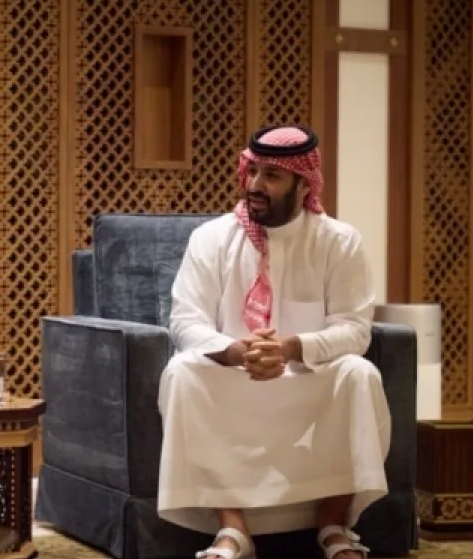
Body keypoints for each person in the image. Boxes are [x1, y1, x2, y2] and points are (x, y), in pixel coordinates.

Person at [156, 125, 388, 559]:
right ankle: (232, 529)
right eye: (253, 171)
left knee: (359, 374)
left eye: (272, 176)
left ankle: (332, 524)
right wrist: (236, 352)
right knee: (182, 372)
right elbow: (185, 321)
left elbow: (355, 330)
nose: (255, 185)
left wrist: (290, 348)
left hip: (306, 379)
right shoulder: (212, 238)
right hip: (234, 378)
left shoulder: (338, 241)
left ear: (305, 185)